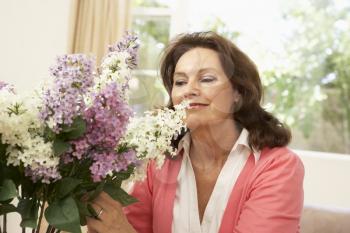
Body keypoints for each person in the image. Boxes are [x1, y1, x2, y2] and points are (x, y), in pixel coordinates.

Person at [86, 31, 304, 233]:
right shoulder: (158, 161)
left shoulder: (278, 167)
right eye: (180, 82)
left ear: (238, 92)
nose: (189, 90)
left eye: (207, 79)